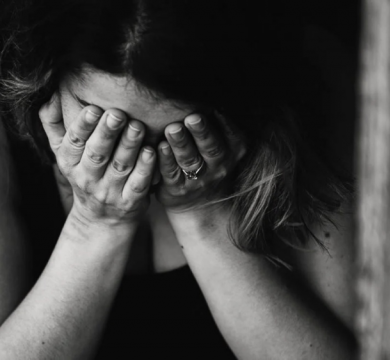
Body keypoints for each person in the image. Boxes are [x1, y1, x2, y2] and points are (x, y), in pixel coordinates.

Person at [0, 0, 357, 358]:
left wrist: (203, 215)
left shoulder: (312, 79)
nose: (139, 159)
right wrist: (93, 224)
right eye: (106, 124)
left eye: (177, 134)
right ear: (48, 75)